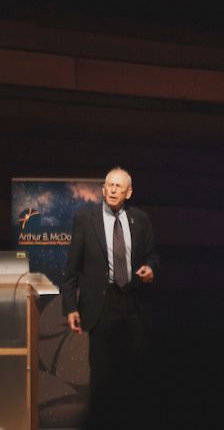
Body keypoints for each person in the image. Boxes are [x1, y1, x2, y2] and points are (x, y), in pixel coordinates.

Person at [61, 167, 159, 429]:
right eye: (109, 185)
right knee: (102, 377)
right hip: (101, 307)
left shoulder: (141, 220)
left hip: (135, 305)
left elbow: (153, 256)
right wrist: (70, 306)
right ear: (103, 190)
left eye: (119, 186)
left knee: (135, 374)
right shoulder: (86, 219)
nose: (113, 190)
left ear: (129, 192)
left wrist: (151, 269)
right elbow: (72, 267)